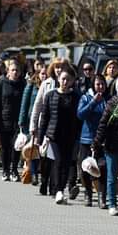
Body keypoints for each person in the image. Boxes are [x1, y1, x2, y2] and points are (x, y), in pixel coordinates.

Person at [37, 65, 81, 204]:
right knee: (57, 161)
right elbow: (45, 117)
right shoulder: (50, 95)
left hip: (69, 135)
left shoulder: (76, 96)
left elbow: (79, 118)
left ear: (73, 81)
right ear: (58, 78)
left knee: (66, 163)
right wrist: (40, 137)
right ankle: (57, 190)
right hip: (53, 135)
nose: (65, 82)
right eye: (63, 79)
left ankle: (60, 189)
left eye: (68, 79)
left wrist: (78, 135)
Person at [94, 75, 118, 216]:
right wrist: (97, 141)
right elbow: (103, 124)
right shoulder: (112, 103)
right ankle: (112, 204)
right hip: (112, 145)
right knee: (111, 177)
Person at [0, 58, 27, 181]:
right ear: (8, 71)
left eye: (17, 70)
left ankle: (14, 169)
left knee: (16, 146)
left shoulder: (23, 84)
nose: (15, 72)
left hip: (18, 120)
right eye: (13, 70)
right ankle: (5, 170)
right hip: (3, 120)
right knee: (5, 147)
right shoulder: (1, 82)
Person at [76, 74, 108, 207]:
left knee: (102, 168)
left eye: (102, 84)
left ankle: (102, 197)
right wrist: (93, 102)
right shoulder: (86, 97)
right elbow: (80, 114)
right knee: (85, 168)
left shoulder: (109, 100)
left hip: (102, 140)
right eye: (97, 84)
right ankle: (88, 194)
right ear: (93, 85)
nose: (100, 87)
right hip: (87, 138)